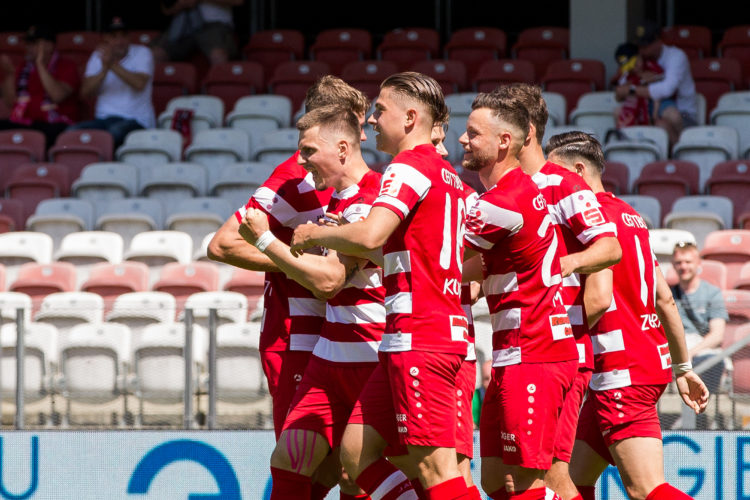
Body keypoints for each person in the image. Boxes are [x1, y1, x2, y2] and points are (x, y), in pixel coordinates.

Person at [290, 72, 474, 499]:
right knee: (355, 458)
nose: (371, 120)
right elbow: (465, 256)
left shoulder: (408, 166)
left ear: (411, 118)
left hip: (421, 333)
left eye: (380, 111)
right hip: (418, 332)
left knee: (436, 468)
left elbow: (372, 235)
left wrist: (315, 234)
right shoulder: (452, 179)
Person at [207, 75, 372, 499]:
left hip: (348, 335)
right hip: (296, 336)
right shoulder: (293, 176)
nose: (367, 131)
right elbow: (223, 243)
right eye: (361, 121)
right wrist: (299, 265)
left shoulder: (360, 190)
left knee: (353, 467)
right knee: (305, 467)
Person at [544, 131, 709, 500]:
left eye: (554, 176)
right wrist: (683, 369)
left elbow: (599, 299)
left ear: (579, 170)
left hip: (623, 370)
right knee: (569, 479)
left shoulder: (589, 220)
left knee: (646, 489)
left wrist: (548, 338)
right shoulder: (632, 216)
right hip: (639, 364)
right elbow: (664, 299)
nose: (548, 185)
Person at [240, 104, 384, 500]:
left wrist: (266, 240)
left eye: (308, 151)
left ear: (342, 148)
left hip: (368, 357)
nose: (301, 163)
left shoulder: (373, 198)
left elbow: (330, 281)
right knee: (288, 461)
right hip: (328, 358)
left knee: (358, 475)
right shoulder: (337, 203)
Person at [495, 83, 621, 500]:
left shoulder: (563, 185)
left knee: (549, 476)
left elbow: (609, 250)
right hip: (513, 347)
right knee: (499, 482)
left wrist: (561, 266)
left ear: (523, 131)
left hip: (556, 352)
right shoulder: (503, 192)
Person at [458, 89, 579, 500]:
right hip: (518, 352)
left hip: (535, 354)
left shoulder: (498, 204)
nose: (462, 139)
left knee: (527, 485)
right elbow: (479, 268)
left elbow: (437, 261)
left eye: (473, 133)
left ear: (504, 142)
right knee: (494, 480)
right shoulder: (523, 193)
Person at [69, 16, 155, 148]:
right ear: (106, 39)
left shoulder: (142, 52)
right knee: (72, 133)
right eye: (114, 36)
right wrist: (103, 70)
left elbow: (139, 84)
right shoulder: (97, 56)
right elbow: (86, 92)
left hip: (137, 120)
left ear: (129, 37)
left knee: (113, 133)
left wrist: (111, 64)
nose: (119, 41)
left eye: (123, 36)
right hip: (104, 120)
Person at [670, 240, 728, 427]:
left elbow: (717, 335)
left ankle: (695, 416)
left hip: (702, 350)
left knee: (712, 361)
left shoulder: (712, 293)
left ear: (698, 264)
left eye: (688, 262)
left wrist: (690, 352)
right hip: (674, 348)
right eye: (679, 263)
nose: (683, 267)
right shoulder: (668, 294)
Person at [614, 19, 697, 148]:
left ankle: (681, 155)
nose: (642, 50)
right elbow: (621, 88)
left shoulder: (676, 56)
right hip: (646, 108)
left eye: (646, 46)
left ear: (659, 41)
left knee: (665, 121)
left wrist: (632, 89)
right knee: (619, 112)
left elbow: (666, 89)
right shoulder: (639, 59)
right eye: (640, 46)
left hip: (683, 113)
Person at [0, 24, 80, 145]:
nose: (28, 47)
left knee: (51, 134)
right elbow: (11, 102)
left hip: (55, 124)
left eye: (34, 43)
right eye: (28, 43)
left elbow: (57, 96)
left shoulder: (67, 66)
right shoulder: (24, 67)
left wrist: (40, 64)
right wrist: (10, 73)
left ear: (49, 46)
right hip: (27, 122)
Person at [151, 0, 243, 65]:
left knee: (218, 55)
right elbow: (166, 10)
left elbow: (238, 1)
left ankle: (219, 91)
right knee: (156, 54)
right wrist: (181, 4)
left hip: (214, 25)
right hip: (183, 27)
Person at [611, 42, 663, 129]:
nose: (635, 67)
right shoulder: (627, 74)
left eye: (635, 63)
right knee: (618, 111)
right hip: (633, 107)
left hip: (653, 105)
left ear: (639, 56)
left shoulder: (651, 66)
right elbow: (618, 96)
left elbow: (659, 87)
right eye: (631, 66)